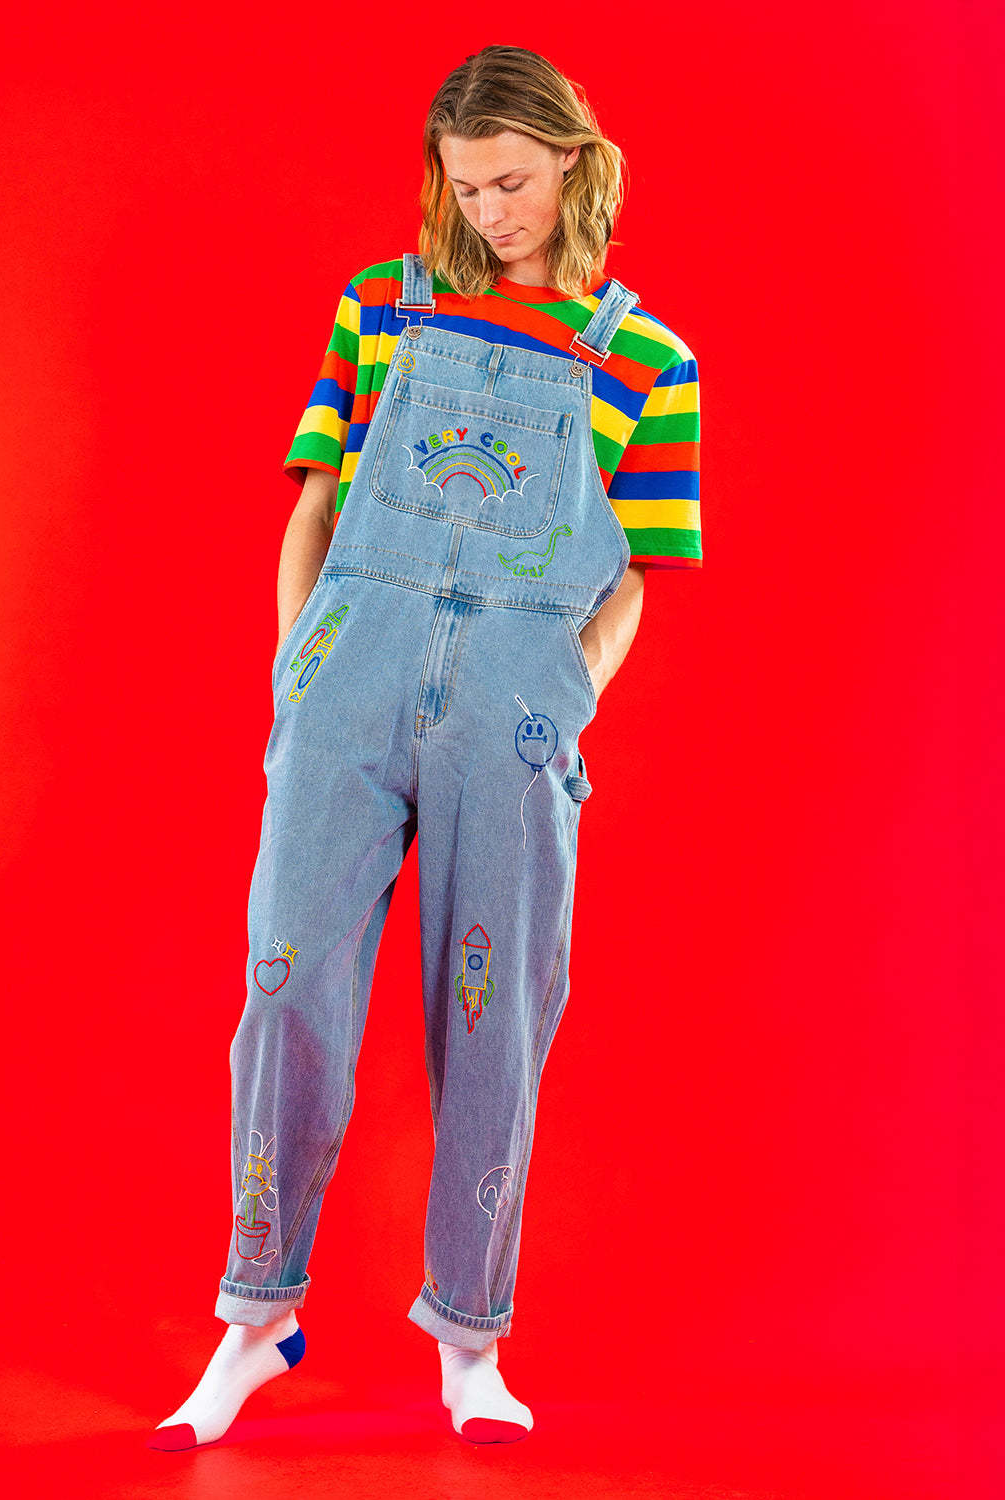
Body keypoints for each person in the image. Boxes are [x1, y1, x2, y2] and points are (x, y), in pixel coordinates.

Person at [148, 43, 702, 1451]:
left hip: (514, 702)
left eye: (512, 182)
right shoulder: (379, 308)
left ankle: (470, 1338)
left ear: (573, 161)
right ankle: (254, 1316)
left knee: (494, 1018)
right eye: (465, 187)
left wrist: (562, 694)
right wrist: (300, 673)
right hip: (353, 672)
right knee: (285, 988)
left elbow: (641, 571)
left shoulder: (650, 360)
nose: (490, 212)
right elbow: (315, 499)